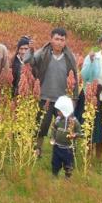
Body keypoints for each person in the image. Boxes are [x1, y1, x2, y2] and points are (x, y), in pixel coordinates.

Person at [24, 28, 79, 158]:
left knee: (65, 128)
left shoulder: (69, 57)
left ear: (65, 42)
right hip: (44, 97)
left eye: (62, 40)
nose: (59, 42)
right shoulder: (42, 53)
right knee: (41, 127)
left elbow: (74, 79)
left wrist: (73, 98)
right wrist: (30, 50)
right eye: (56, 39)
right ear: (51, 39)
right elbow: (29, 63)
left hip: (63, 99)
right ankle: (37, 151)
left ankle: (66, 152)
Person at [48, 95, 83, 178]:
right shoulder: (58, 120)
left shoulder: (74, 122)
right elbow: (53, 129)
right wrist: (52, 137)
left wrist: (74, 135)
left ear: (66, 111)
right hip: (57, 147)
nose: (58, 113)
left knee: (69, 164)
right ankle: (54, 175)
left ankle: (68, 177)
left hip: (69, 148)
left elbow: (80, 133)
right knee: (55, 162)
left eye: (60, 111)